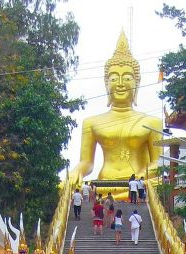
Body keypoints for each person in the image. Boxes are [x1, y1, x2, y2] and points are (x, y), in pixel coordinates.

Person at [69, 32, 163, 185]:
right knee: (65, 185)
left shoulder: (152, 122)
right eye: (113, 78)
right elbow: (87, 162)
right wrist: (76, 171)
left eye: (127, 78)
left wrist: (139, 177)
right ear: (106, 83)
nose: (120, 83)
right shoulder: (91, 122)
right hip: (103, 183)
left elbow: (158, 163)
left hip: (139, 182)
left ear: (137, 83)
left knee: (157, 183)